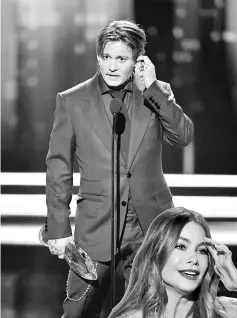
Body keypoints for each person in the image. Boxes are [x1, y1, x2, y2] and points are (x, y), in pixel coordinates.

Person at [45, 19, 194, 317]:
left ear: (137, 60)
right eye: (106, 57)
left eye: (121, 59)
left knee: (146, 310)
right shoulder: (72, 100)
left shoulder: (155, 93)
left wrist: (151, 87)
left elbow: (183, 136)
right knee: (79, 310)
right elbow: (58, 167)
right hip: (96, 224)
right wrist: (58, 227)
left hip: (149, 223)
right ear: (98, 57)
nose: (112, 66)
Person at [108, 207, 237, 318]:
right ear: (155, 254)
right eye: (181, 246)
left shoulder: (226, 311)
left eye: (202, 250)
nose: (194, 258)